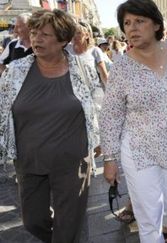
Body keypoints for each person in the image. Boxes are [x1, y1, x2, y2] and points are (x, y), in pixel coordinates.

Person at [100, 0, 167, 242]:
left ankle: (165, 229)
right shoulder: (121, 68)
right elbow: (110, 114)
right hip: (139, 149)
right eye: (127, 23)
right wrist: (110, 158)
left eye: (139, 21)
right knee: (149, 216)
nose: (132, 28)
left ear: (157, 24)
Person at [0, 9, 100, 242]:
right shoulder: (16, 71)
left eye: (45, 34)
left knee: (69, 226)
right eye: (34, 33)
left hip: (74, 162)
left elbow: (96, 105)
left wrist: (100, 141)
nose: (36, 39)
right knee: (33, 221)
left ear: (63, 40)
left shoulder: (82, 68)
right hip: (29, 160)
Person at [66, 21, 109, 86]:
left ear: (87, 35)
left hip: (92, 92)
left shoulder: (95, 51)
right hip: (71, 92)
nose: (74, 36)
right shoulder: (65, 50)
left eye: (78, 33)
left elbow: (104, 75)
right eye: (72, 33)